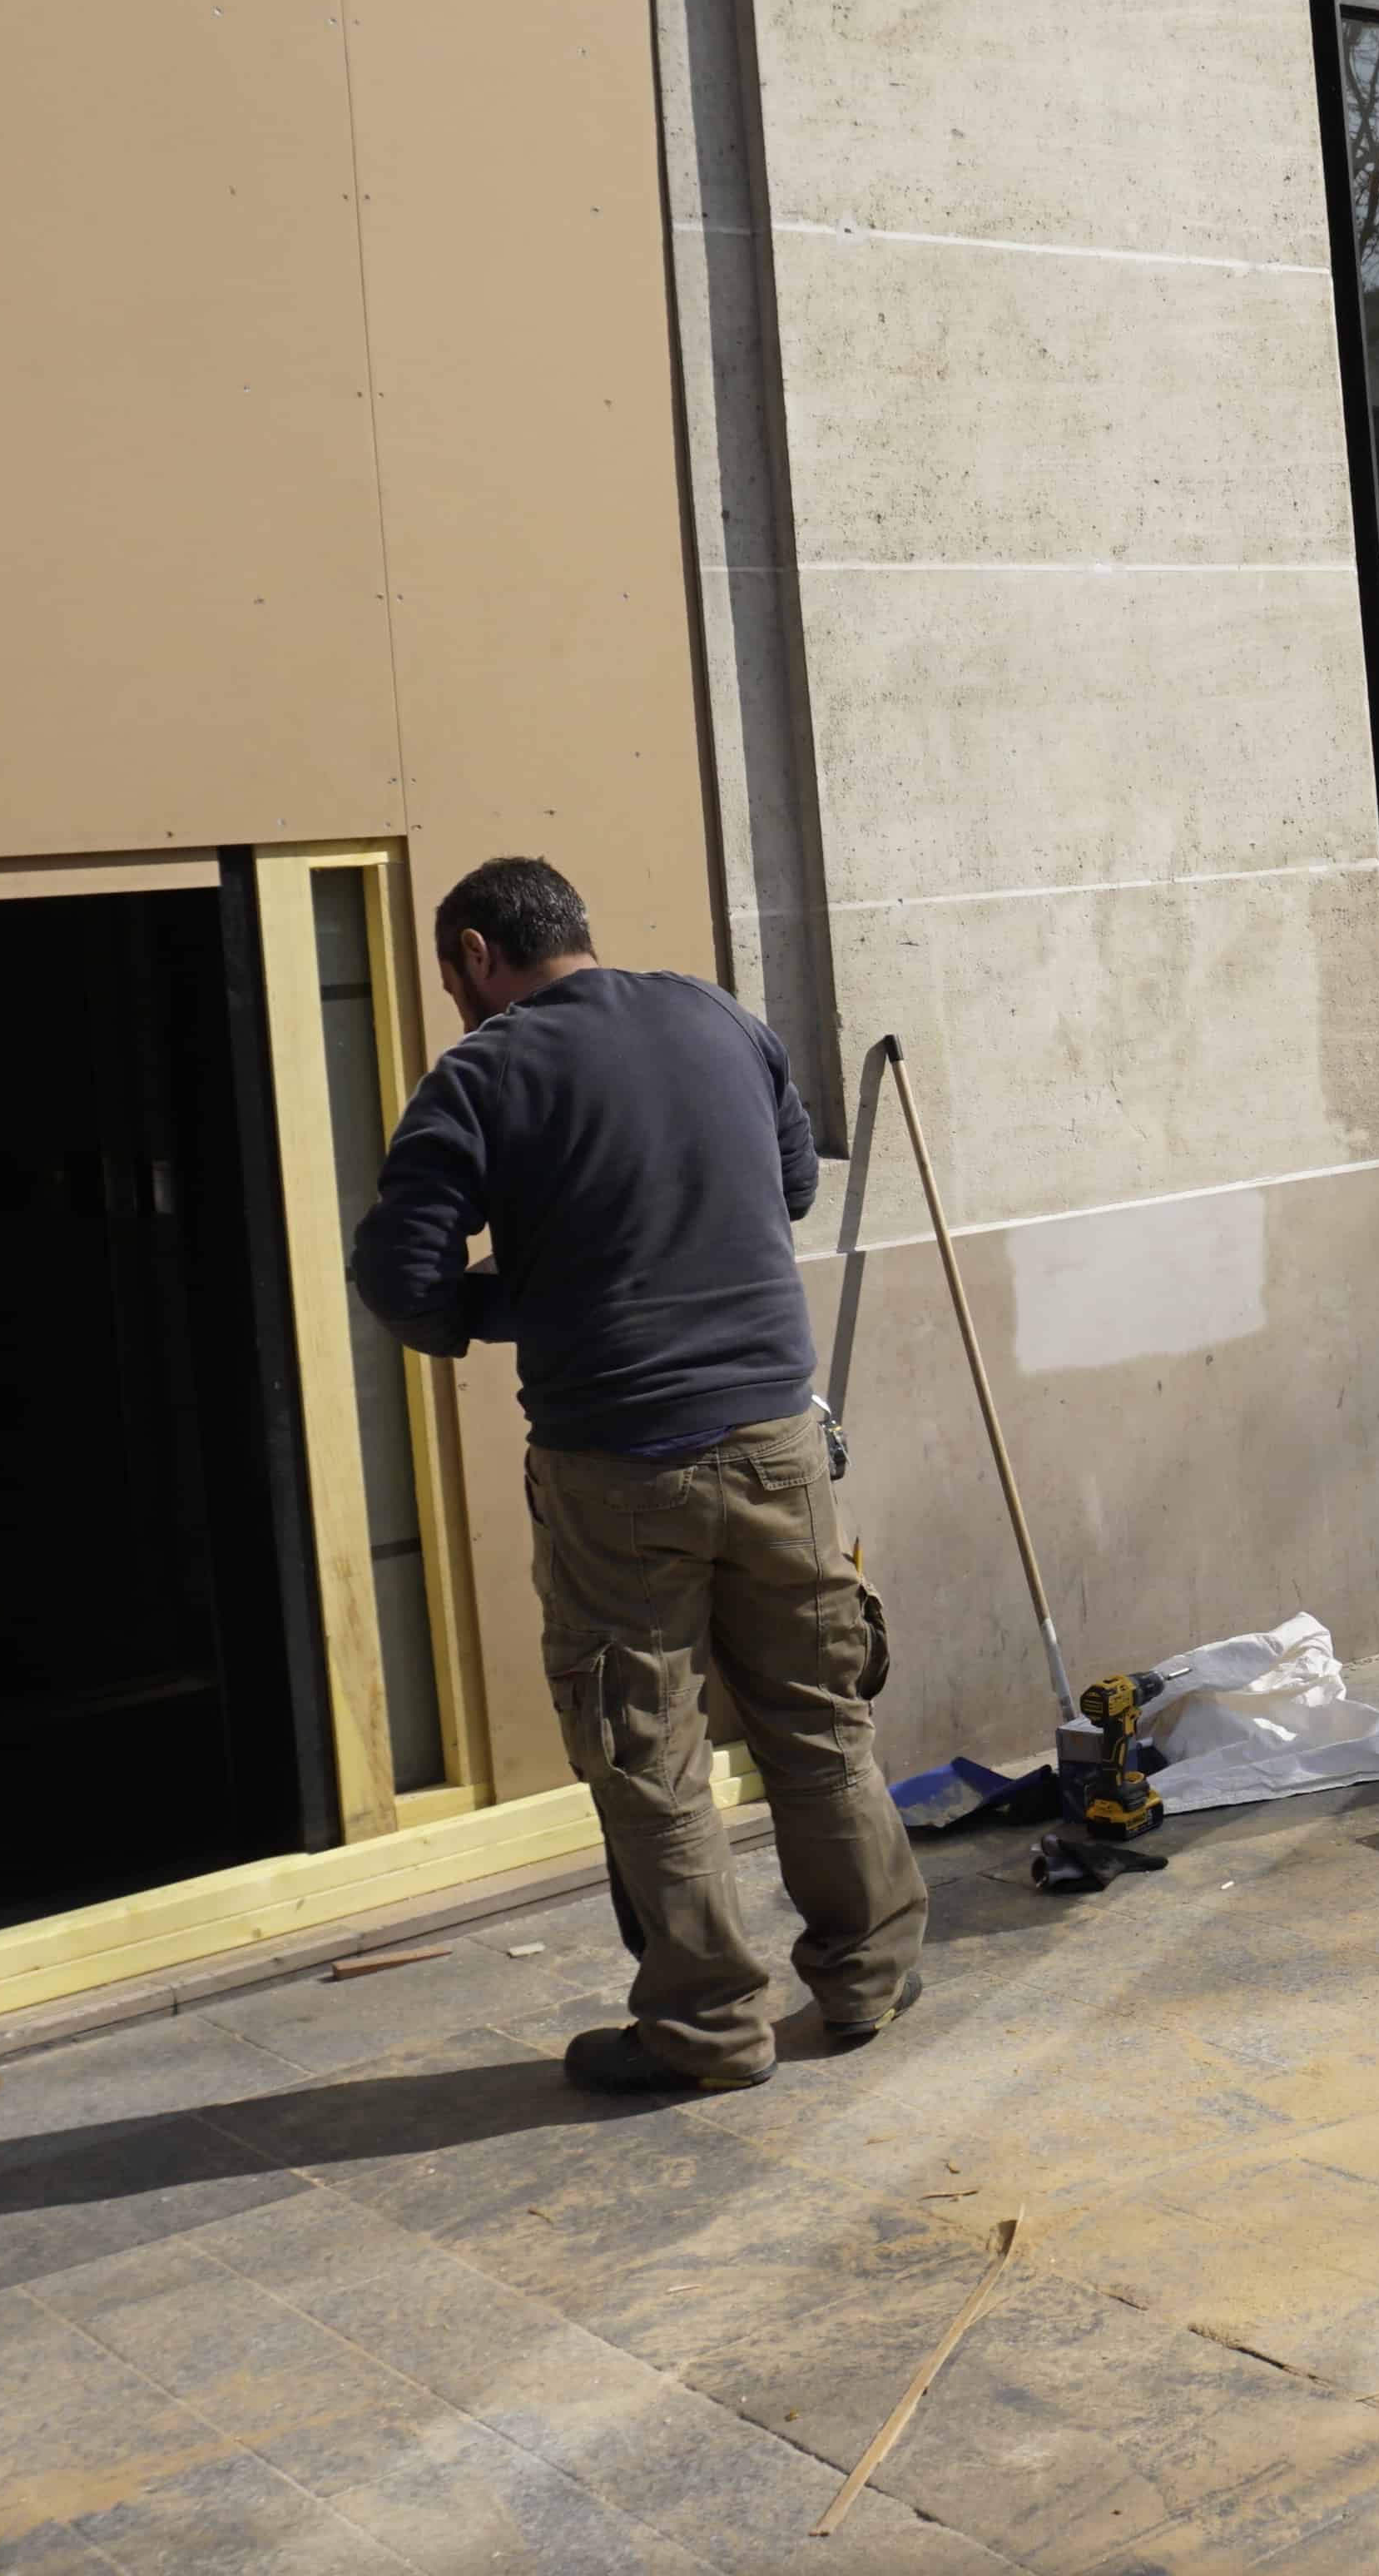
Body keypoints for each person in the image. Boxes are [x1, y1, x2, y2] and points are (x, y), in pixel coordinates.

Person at [350, 855, 924, 2095]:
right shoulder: (717, 1016)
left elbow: (403, 1284)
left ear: (470, 956)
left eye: (455, 976)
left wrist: (516, 1302)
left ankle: (711, 2029)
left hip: (618, 1464)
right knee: (817, 1718)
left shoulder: (482, 1073)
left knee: (646, 1752)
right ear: (579, 929)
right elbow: (788, 1188)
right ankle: (870, 1974)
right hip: (777, 1439)